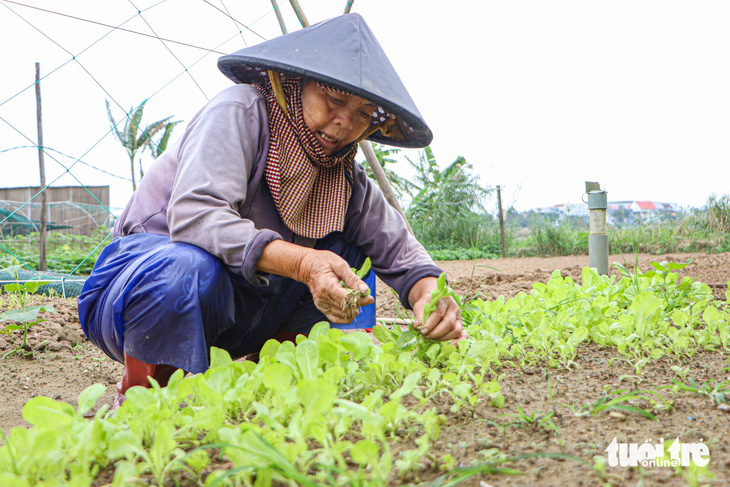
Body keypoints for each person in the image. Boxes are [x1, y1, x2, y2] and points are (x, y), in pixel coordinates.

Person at [78, 13, 466, 407]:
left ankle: (277, 379)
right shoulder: (240, 112)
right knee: (187, 268)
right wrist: (304, 264)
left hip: (244, 308)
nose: (345, 122)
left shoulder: (341, 171)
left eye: (363, 113)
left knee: (348, 251)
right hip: (142, 292)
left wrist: (430, 296)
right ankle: (144, 401)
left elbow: (397, 247)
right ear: (294, 83)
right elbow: (197, 215)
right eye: (334, 99)